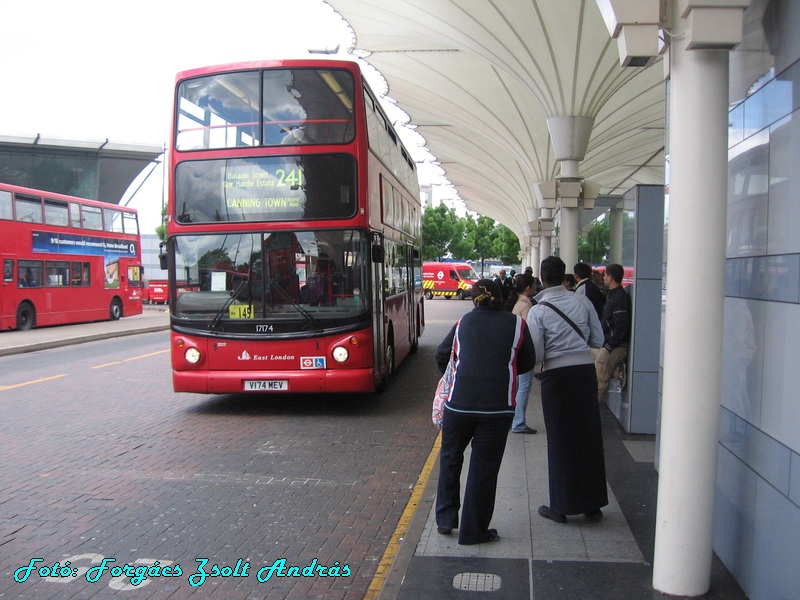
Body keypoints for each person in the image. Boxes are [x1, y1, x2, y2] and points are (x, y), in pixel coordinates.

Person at [435, 279, 536, 545]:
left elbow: (441, 354)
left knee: (450, 459)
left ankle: (445, 519)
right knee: (484, 468)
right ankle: (473, 531)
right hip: (497, 408)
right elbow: (527, 362)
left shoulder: (463, 323)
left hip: (458, 405)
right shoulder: (516, 324)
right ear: (502, 297)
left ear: (474, 298)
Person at [527, 256, 608, 523]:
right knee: (588, 436)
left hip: (557, 376)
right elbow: (598, 339)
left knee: (560, 438)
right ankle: (592, 504)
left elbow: (536, 353)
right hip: (585, 373)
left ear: (542, 277)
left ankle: (560, 507)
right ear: (564, 277)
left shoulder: (538, 310)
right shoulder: (582, 301)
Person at [595, 263, 632, 402]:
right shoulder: (612, 296)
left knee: (601, 372)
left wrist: (609, 346)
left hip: (616, 345)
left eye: (605, 275)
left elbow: (621, 327)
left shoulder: (619, 298)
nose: (603, 277)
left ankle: (594, 408)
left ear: (610, 277)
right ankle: (618, 371)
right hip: (608, 342)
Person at [511, 273, 537, 434]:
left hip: (515, 349)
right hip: (523, 350)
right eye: (534, 285)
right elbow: (527, 329)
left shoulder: (517, 303)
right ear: (528, 288)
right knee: (524, 387)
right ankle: (518, 422)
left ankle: (514, 419)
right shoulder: (526, 305)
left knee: (518, 386)